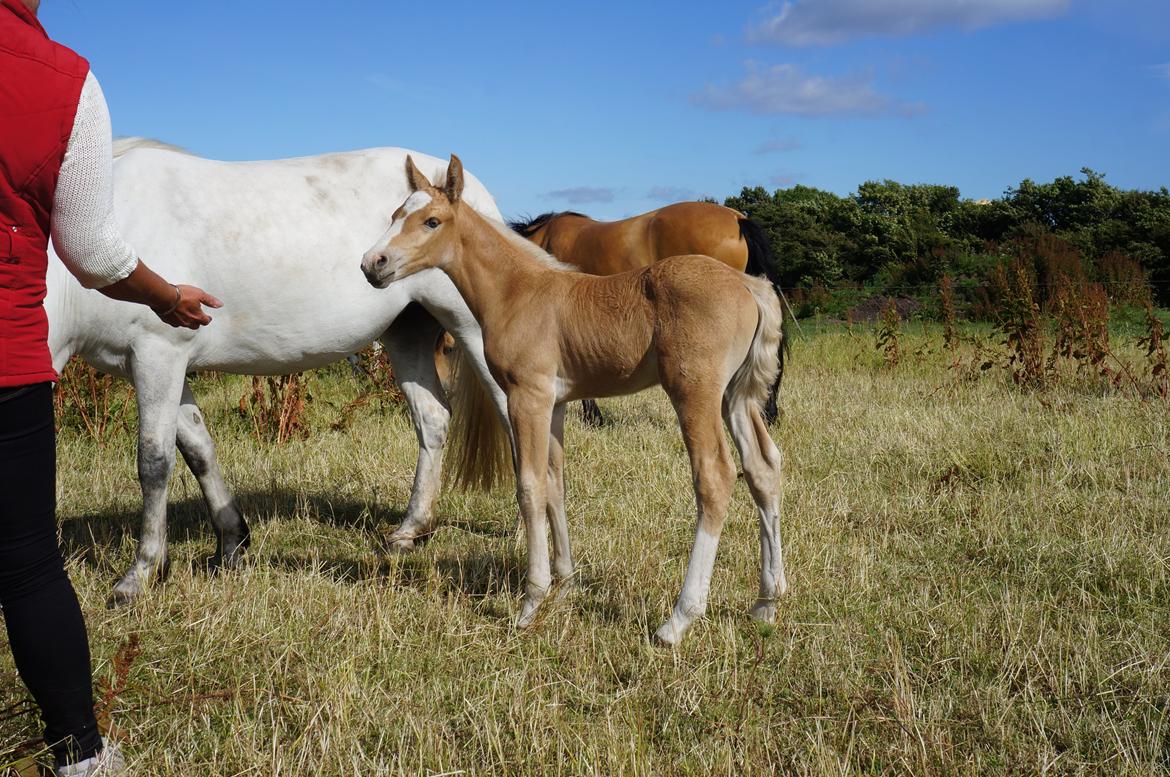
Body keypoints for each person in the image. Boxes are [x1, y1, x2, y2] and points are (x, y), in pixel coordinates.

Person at [0, 0, 222, 773]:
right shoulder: (66, 82)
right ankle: (83, 758)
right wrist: (166, 296)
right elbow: (92, 251)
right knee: (27, 563)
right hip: (4, 361)